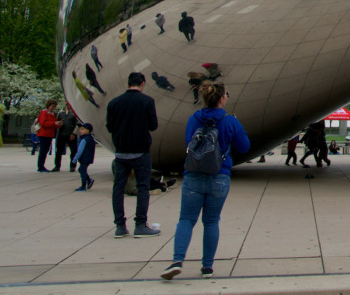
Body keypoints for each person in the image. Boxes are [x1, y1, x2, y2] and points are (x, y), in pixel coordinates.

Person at [161, 83, 250, 280]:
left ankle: (177, 260)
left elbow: (188, 143)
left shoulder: (194, 119)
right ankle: (207, 267)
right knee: (211, 221)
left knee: (186, 219)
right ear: (222, 99)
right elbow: (244, 146)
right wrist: (237, 127)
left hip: (193, 175)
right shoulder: (229, 121)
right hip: (219, 176)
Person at [106, 72, 160, 238]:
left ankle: (120, 226)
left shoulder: (114, 103)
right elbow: (153, 125)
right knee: (143, 187)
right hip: (141, 151)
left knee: (118, 188)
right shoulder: (147, 101)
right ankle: (140, 224)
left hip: (121, 151)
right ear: (142, 84)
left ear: (128, 84)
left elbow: (109, 127)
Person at [35, 99, 61, 173]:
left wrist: (58, 124)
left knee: (45, 150)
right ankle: (40, 166)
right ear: (48, 105)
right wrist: (54, 123)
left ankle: (41, 165)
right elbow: (43, 123)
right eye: (52, 106)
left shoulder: (51, 114)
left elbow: (53, 123)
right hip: (43, 134)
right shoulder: (44, 112)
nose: (53, 108)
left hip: (49, 134)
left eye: (54, 107)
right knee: (43, 150)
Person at [53, 105, 79, 172]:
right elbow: (57, 122)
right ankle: (57, 166)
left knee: (73, 151)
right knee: (59, 151)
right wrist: (59, 124)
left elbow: (78, 124)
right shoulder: (61, 113)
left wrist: (74, 133)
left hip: (71, 135)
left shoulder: (74, 113)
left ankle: (73, 166)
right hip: (61, 135)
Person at [73, 122, 96, 191]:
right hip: (88, 157)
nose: (80, 130)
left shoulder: (84, 139)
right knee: (81, 169)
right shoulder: (91, 138)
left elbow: (80, 151)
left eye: (82, 129)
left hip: (84, 158)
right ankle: (89, 180)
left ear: (88, 130)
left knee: (82, 170)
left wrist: (74, 159)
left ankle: (83, 186)